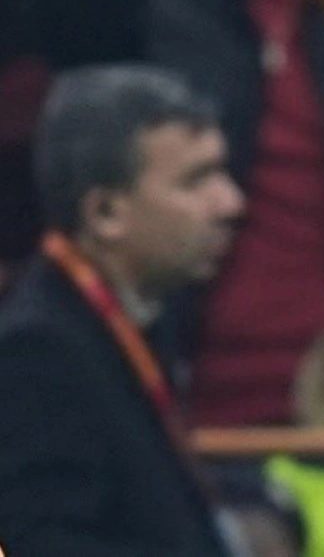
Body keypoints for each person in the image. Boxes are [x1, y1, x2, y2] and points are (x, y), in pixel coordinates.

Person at [0, 65, 245, 555]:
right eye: (196, 181)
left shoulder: (138, 317)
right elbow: (49, 543)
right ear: (105, 213)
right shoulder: (37, 351)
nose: (231, 203)